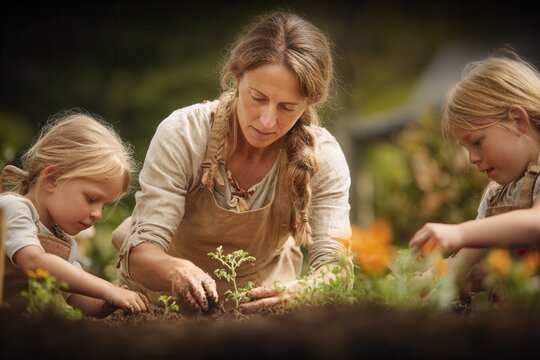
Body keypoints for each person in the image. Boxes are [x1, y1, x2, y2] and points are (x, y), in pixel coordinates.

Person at [113, 11, 352, 313]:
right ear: (236, 78)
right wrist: (178, 272)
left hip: (256, 311)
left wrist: (307, 290)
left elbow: (338, 270)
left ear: (308, 102)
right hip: (159, 305)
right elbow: (141, 252)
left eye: (287, 107)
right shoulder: (184, 134)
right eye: (258, 97)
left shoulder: (323, 158)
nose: (267, 121)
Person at [408, 50, 540, 297]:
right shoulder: (496, 195)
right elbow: (464, 260)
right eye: (466, 148)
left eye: (477, 142)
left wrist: (459, 232)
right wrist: (424, 280)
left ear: (517, 121)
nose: (472, 159)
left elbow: (536, 222)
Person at [1, 108, 148, 318]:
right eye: (91, 199)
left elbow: (81, 302)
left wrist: (110, 300)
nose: (98, 214)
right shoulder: (13, 208)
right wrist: (106, 288)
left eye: (104, 205)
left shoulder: (63, 241)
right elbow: (34, 262)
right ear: (52, 179)